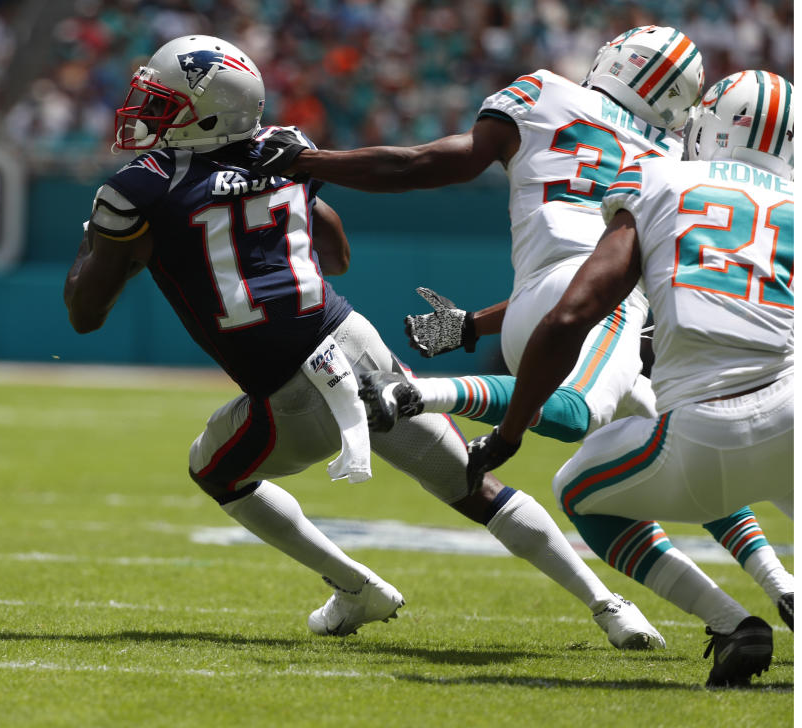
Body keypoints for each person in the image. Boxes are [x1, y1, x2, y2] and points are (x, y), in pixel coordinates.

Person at [63, 34, 664, 647]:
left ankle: (356, 587)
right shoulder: (285, 153)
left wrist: (101, 241)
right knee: (472, 487)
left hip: (290, 389)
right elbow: (338, 255)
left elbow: (85, 313)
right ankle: (612, 607)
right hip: (356, 343)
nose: (148, 113)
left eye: (163, 103)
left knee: (213, 470)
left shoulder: (140, 187)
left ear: (206, 112)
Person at [247, 26, 793, 641]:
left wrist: (308, 161)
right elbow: (596, 284)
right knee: (593, 419)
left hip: (554, 302)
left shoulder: (546, 93)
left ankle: (758, 603)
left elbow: (423, 164)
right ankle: (422, 394)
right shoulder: (678, 162)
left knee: (660, 441)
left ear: (619, 59)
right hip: (609, 309)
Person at [466, 70, 794, 688]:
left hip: (704, 433)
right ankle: (784, 588)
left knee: (579, 488)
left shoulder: (659, 175)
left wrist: (510, 433)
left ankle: (731, 622)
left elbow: (575, 312)